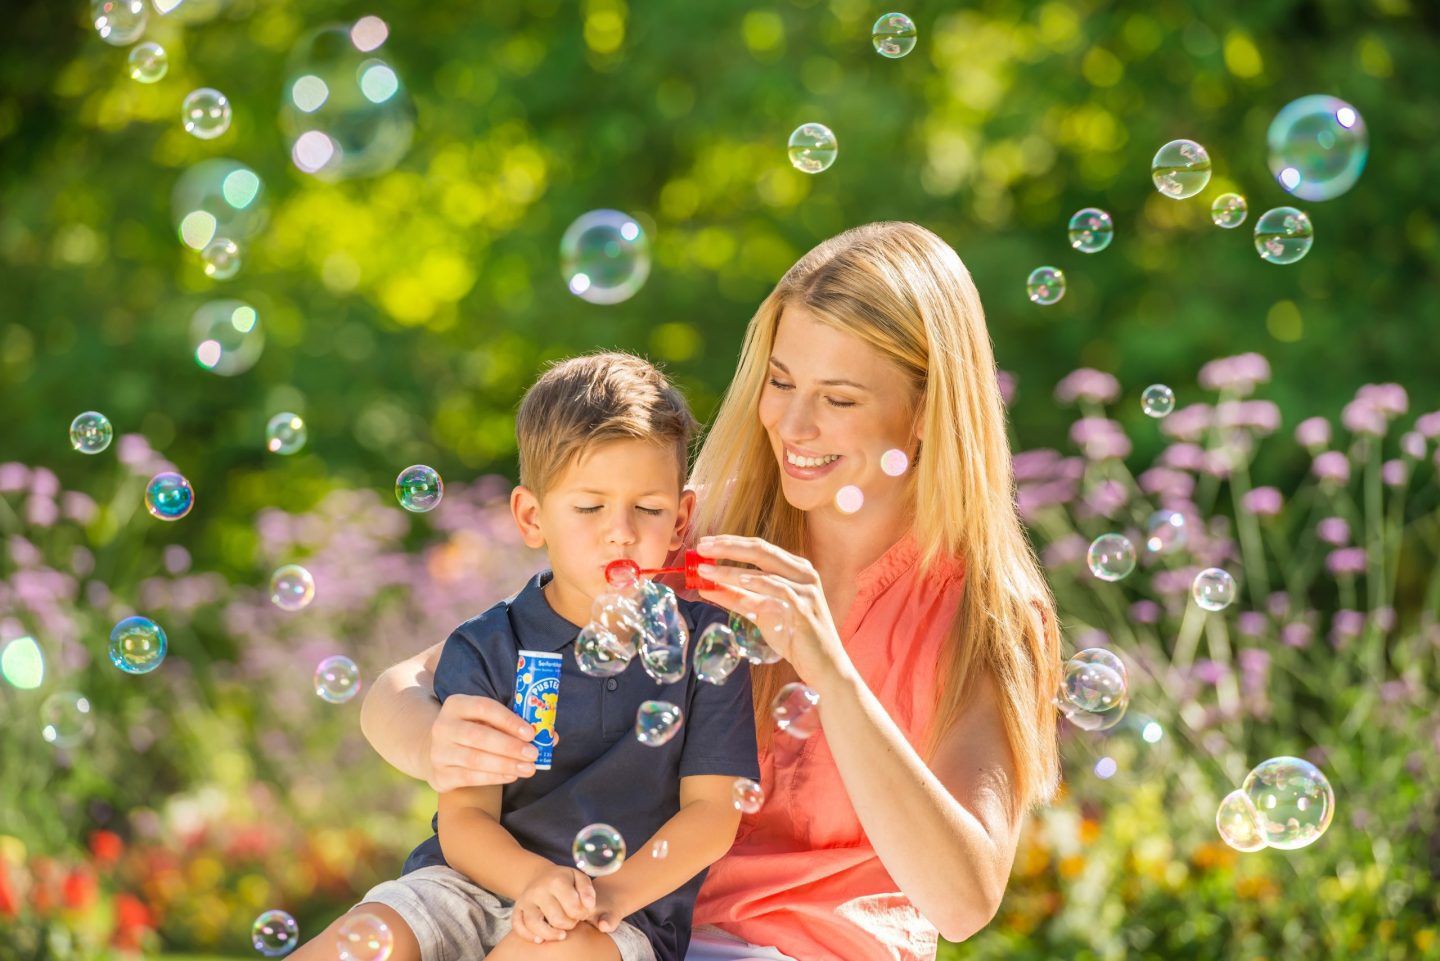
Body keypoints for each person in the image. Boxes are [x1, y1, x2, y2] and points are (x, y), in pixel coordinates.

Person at [362, 222, 1062, 961]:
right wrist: (438, 743)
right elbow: (402, 687)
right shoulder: (697, 539)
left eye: (839, 399)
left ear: (926, 411)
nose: (792, 424)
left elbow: (963, 902)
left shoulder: (987, 614)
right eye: (780, 382)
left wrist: (831, 672)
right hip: (623, 932)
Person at [296, 352, 761, 961]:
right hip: (465, 885)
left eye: (648, 509)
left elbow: (713, 814)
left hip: (613, 911)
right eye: (589, 507)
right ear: (532, 516)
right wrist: (532, 880)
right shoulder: (490, 645)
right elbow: (465, 819)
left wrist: (610, 895)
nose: (621, 531)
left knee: (560, 949)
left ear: (681, 520)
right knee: (367, 939)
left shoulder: (706, 646)